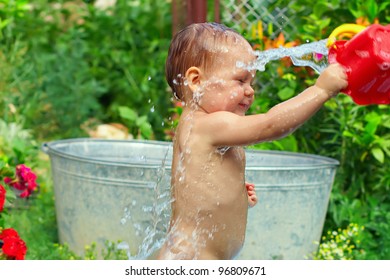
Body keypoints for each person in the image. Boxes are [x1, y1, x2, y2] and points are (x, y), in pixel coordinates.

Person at [156, 22, 348, 260]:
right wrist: (321, 90)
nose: (250, 91)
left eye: (251, 82)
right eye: (240, 80)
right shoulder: (206, 125)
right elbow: (271, 125)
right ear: (196, 81)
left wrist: (234, 196)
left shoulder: (211, 127)